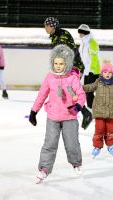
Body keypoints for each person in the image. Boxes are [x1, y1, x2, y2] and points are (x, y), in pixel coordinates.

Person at [28, 45, 86, 183]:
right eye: (56, 63)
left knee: (72, 144)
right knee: (49, 144)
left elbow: (81, 94)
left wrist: (78, 106)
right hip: (53, 117)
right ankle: (44, 169)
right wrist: (33, 111)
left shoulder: (72, 78)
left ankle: (76, 163)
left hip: (69, 117)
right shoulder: (50, 77)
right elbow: (42, 95)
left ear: (67, 63)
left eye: (61, 64)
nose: (58, 66)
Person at [44, 17, 93, 129]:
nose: (45, 28)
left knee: (69, 91)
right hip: (70, 67)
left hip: (74, 67)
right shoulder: (57, 35)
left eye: (47, 25)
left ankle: (84, 114)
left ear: (53, 26)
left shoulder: (61, 36)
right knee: (68, 91)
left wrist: (59, 72)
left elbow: (63, 55)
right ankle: (84, 113)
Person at [78, 24, 101, 109]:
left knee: (89, 91)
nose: (79, 34)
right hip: (87, 70)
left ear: (85, 33)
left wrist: (91, 70)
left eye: (81, 32)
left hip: (94, 70)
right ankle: (91, 108)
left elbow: (94, 58)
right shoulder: (83, 42)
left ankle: (92, 108)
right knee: (87, 90)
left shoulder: (92, 42)